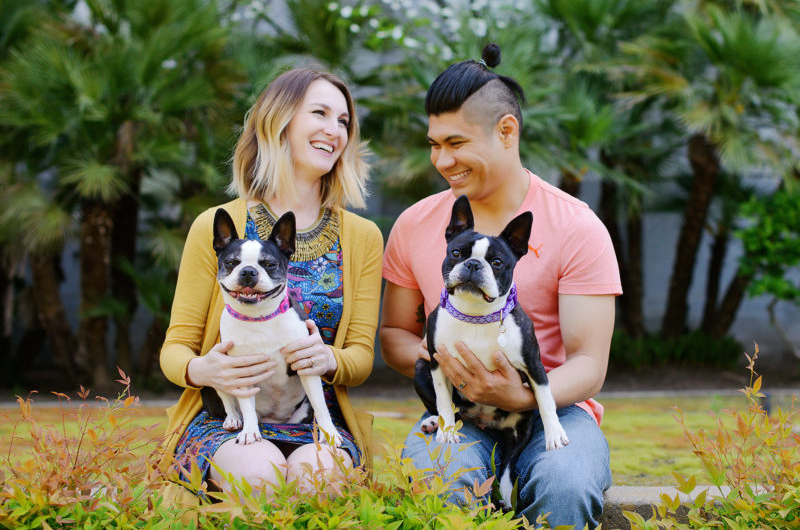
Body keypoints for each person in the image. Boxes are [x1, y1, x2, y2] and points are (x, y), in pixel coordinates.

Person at [379, 43, 621, 528]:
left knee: (566, 485)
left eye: (456, 143)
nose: (442, 160)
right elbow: (393, 335)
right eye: (433, 144)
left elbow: (589, 365)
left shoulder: (576, 226)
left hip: (558, 409)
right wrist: (441, 360)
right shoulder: (414, 224)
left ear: (506, 131)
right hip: (460, 414)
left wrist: (520, 396)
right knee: (435, 480)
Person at [159, 68, 383, 505]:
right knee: (259, 475)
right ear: (277, 121)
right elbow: (175, 347)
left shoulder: (362, 237)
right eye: (319, 113)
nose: (333, 130)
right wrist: (202, 370)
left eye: (343, 121)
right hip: (224, 417)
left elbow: (361, 356)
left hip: (316, 415)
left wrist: (327, 358)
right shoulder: (215, 224)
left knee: (315, 480)